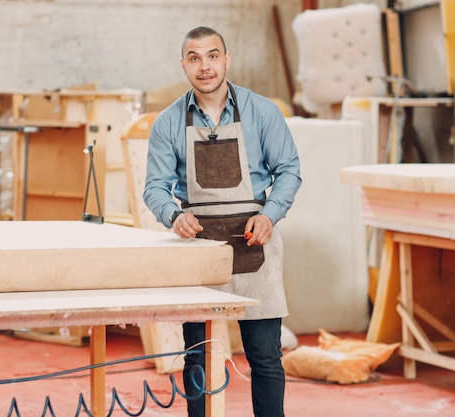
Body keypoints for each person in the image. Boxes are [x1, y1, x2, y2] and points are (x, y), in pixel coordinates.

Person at [143, 26, 302, 417]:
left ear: (226, 59)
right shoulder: (167, 123)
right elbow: (155, 188)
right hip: (200, 251)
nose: (205, 67)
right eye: (194, 58)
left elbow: (289, 171)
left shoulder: (262, 112)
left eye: (212, 56)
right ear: (184, 65)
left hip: (254, 245)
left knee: (265, 357)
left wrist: (270, 215)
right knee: (198, 358)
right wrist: (173, 215)